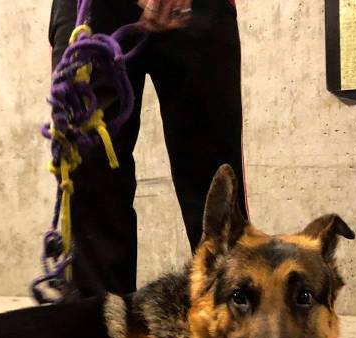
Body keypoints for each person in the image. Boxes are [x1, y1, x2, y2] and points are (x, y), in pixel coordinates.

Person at [48, 0, 247, 297]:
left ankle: (232, 318)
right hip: (90, 11)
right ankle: (98, 330)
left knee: (214, 181)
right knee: (89, 172)